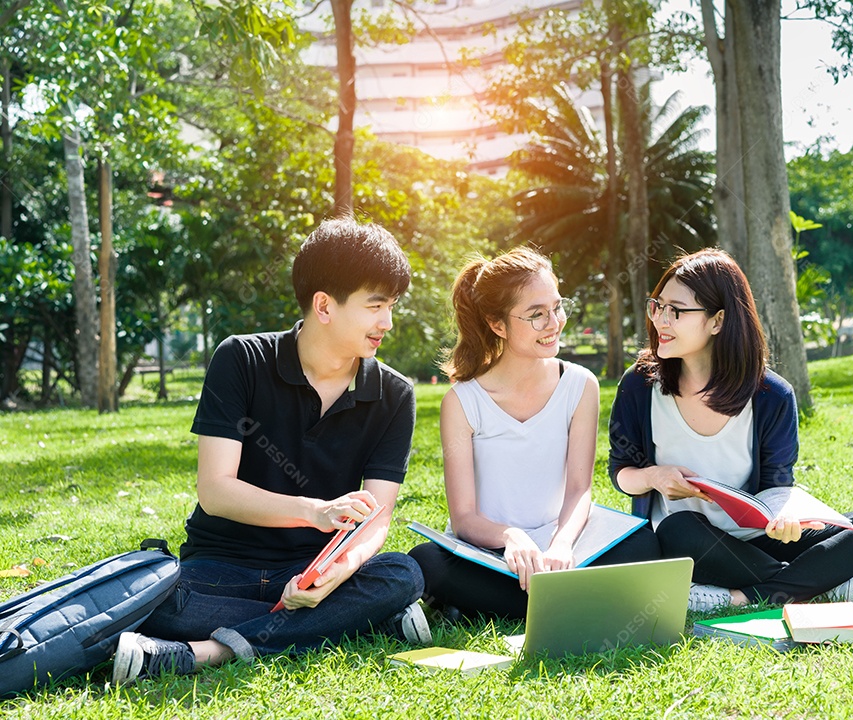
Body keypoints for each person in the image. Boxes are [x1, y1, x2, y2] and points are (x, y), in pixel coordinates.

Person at [111, 218, 430, 685]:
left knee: (402, 573)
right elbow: (215, 491)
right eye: (376, 306)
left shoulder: (394, 394)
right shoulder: (240, 360)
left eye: (391, 306)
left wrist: (336, 575)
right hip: (221, 569)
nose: (387, 322)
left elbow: (377, 518)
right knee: (164, 602)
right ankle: (355, 619)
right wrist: (315, 511)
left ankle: (205, 653)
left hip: (313, 571)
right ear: (324, 305)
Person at [608, 248, 853, 611]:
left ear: (718, 321)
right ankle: (817, 583)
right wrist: (654, 476)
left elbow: (776, 488)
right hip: (692, 542)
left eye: (677, 310)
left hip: (760, 540)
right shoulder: (640, 385)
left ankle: (744, 597)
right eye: (658, 306)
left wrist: (785, 517)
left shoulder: (772, 396)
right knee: (678, 529)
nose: (661, 320)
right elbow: (620, 471)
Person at [409, 247, 661, 619]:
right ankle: (568, 600)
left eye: (557, 307)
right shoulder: (463, 401)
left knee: (643, 546)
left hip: (562, 544)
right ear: (498, 325)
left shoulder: (580, 385)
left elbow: (580, 490)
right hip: (492, 551)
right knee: (425, 562)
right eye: (536, 315)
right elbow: (463, 518)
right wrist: (511, 537)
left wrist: (561, 546)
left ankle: (512, 603)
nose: (554, 323)